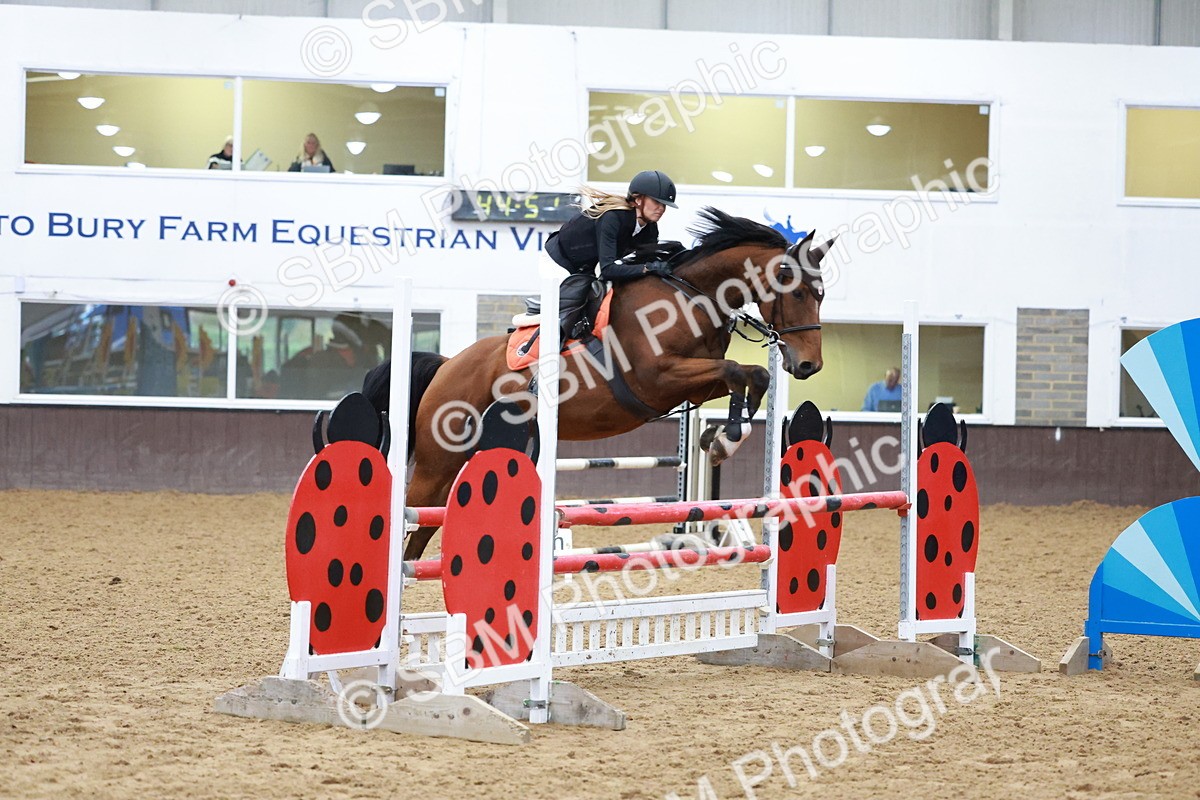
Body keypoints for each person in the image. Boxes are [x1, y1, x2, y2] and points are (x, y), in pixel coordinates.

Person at [543, 169, 678, 343]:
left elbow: (648, 262)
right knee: (563, 317)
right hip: (558, 262)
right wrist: (647, 268)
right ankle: (544, 355)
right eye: (656, 202)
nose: (661, 208)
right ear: (638, 199)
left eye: (665, 205)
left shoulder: (650, 229)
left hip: (585, 268)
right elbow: (608, 270)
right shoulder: (613, 218)